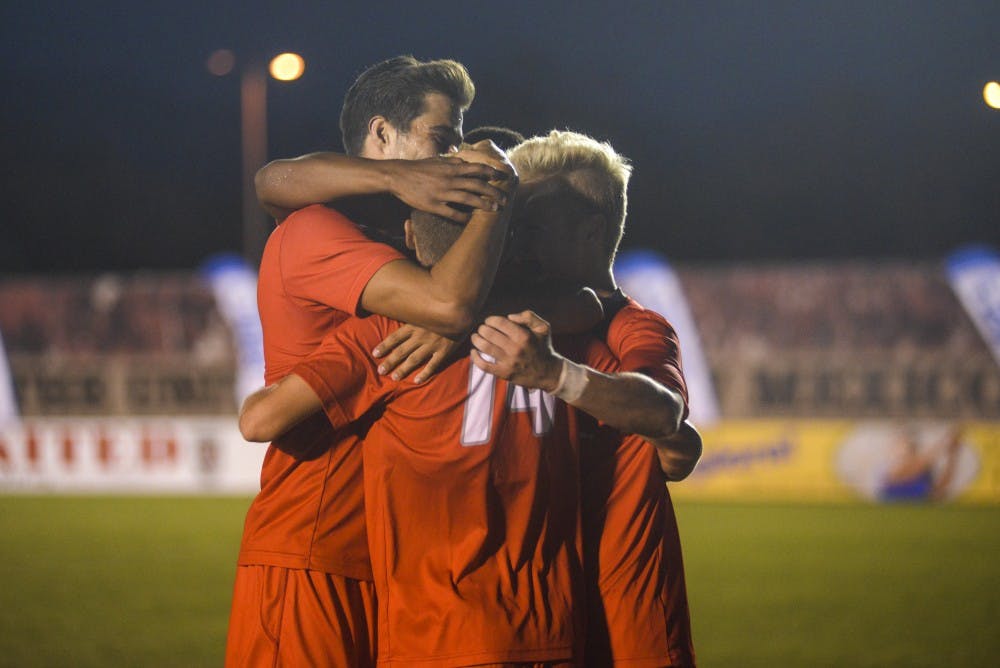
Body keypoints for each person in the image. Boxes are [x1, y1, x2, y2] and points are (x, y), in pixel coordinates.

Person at [238, 202, 692, 665]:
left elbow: (258, 421)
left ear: (411, 237)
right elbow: (674, 439)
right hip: (548, 631)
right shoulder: (558, 338)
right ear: (507, 243)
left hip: (433, 633)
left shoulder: (387, 335)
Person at [225, 56, 517, 668]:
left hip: (386, 556)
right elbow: (449, 303)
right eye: (444, 139)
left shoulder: (390, 247)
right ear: (383, 135)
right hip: (313, 547)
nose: (458, 156)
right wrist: (489, 195)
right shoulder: (315, 230)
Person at [475, 130, 701, 666]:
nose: (516, 240)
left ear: (592, 232)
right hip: (532, 620)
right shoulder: (497, 316)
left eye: (532, 226)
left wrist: (556, 374)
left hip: (625, 621)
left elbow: (663, 411)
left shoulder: (636, 327)